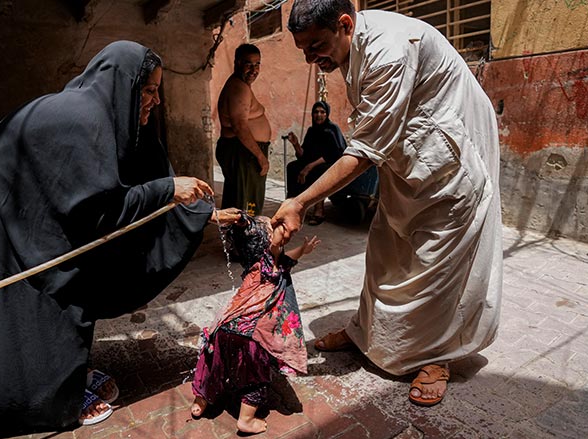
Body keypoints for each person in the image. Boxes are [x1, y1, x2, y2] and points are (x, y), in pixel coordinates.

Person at [0, 40, 240, 437]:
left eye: (157, 90)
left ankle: (68, 377)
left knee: (68, 287)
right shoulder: (84, 120)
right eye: (148, 90)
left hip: (25, 210)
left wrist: (202, 212)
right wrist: (167, 190)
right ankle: (47, 402)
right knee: (40, 301)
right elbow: (98, 213)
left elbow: (142, 172)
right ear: (123, 85)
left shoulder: (112, 118)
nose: (155, 100)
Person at [271, 0, 503, 407]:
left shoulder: (389, 48)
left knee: (436, 264)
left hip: (448, 164)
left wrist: (300, 202)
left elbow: (364, 148)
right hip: (410, 160)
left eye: (316, 45)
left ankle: (437, 357)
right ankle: (364, 333)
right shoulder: (349, 48)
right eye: (303, 49)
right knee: (385, 251)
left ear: (345, 24)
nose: (309, 58)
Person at [190, 213, 319, 434]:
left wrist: (302, 250)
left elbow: (285, 260)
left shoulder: (262, 263)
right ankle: (246, 420)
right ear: (267, 242)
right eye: (275, 226)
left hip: (225, 327)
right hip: (252, 335)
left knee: (213, 363)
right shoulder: (267, 264)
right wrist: (245, 220)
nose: (280, 225)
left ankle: (200, 402)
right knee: (254, 376)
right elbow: (274, 249)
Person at [216, 43, 272, 216]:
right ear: (237, 63)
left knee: (245, 201)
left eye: (257, 64)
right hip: (244, 152)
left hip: (244, 152)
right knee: (247, 204)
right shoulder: (238, 87)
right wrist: (260, 157)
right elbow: (240, 127)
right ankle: (244, 240)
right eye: (249, 64)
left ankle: (242, 239)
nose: (254, 70)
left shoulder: (240, 86)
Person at [285, 100, 346, 225]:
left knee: (319, 171)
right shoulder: (311, 131)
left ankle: (319, 210)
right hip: (311, 163)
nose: (319, 115)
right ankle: (293, 203)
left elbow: (334, 153)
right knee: (292, 167)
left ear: (327, 114)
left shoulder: (332, 130)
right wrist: (295, 144)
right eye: (316, 112)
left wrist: (309, 167)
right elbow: (303, 155)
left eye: (322, 112)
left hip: (330, 164)